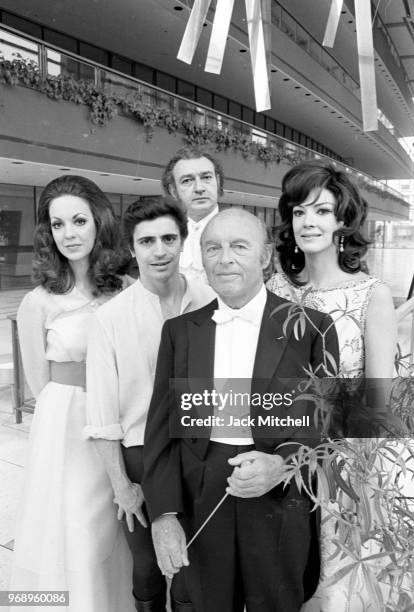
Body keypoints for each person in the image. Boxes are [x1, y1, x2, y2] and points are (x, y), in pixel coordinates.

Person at [143, 208, 340, 612]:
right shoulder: (179, 332)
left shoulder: (313, 327)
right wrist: (163, 514)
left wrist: (283, 465)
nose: (225, 258)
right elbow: (161, 431)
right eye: (213, 248)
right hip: (200, 491)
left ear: (265, 256)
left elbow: (327, 425)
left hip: (278, 494)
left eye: (239, 246)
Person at [266, 160, 397, 610]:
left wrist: (352, 469)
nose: (308, 222)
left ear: (343, 219)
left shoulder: (371, 294)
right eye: (299, 212)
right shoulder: (276, 291)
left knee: (339, 580)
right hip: (281, 455)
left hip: (344, 461)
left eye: (321, 211)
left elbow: (379, 400)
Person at [84, 196, 215, 612]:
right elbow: (103, 416)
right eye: (147, 241)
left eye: (168, 238)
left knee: (192, 564)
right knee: (147, 565)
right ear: (133, 248)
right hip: (141, 455)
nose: (159, 250)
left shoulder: (211, 302)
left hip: (201, 451)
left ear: (182, 240)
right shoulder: (111, 319)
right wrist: (122, 485)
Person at [10, 175, 135, 611]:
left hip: (122, 416)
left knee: (116, 526)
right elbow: (40, 384)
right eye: (58, 224)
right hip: (67, 426)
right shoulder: (38, 302)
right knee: (75, 527)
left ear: (99, 222)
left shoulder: (126, 290)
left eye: (79, 221)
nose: (69, 234)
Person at [162, 146, 223, 283]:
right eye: (187, 181)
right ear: (173, 190)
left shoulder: (242, 230)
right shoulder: (163, 235)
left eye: (206, 177)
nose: (199, 188)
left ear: (217, 181)